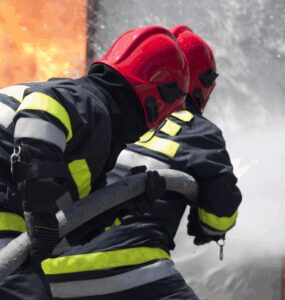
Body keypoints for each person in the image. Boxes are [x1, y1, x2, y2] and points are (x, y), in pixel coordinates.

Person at [43, 25, 242, 300]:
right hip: (125, 268)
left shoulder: (105, 117)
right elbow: (219, 217)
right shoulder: (199, 131)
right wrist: (204, 223)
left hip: (47, 272)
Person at [0, 25, 189, 300]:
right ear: (156, 101)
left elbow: (57, 235)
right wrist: (39, 208)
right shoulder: (90, 103)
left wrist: (117, 207)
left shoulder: (90, 138)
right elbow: (43, 110)